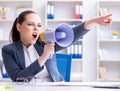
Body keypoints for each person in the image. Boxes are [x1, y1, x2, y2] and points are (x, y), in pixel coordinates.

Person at [2, 10, 112, 82]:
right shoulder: (8, 50)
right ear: (19, 27)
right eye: (31, 24)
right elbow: (18, 78)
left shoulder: (43, 41)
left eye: (39, 25)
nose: (36, 28)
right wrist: (44, 57)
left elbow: (73, 34)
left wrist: (95, 21)